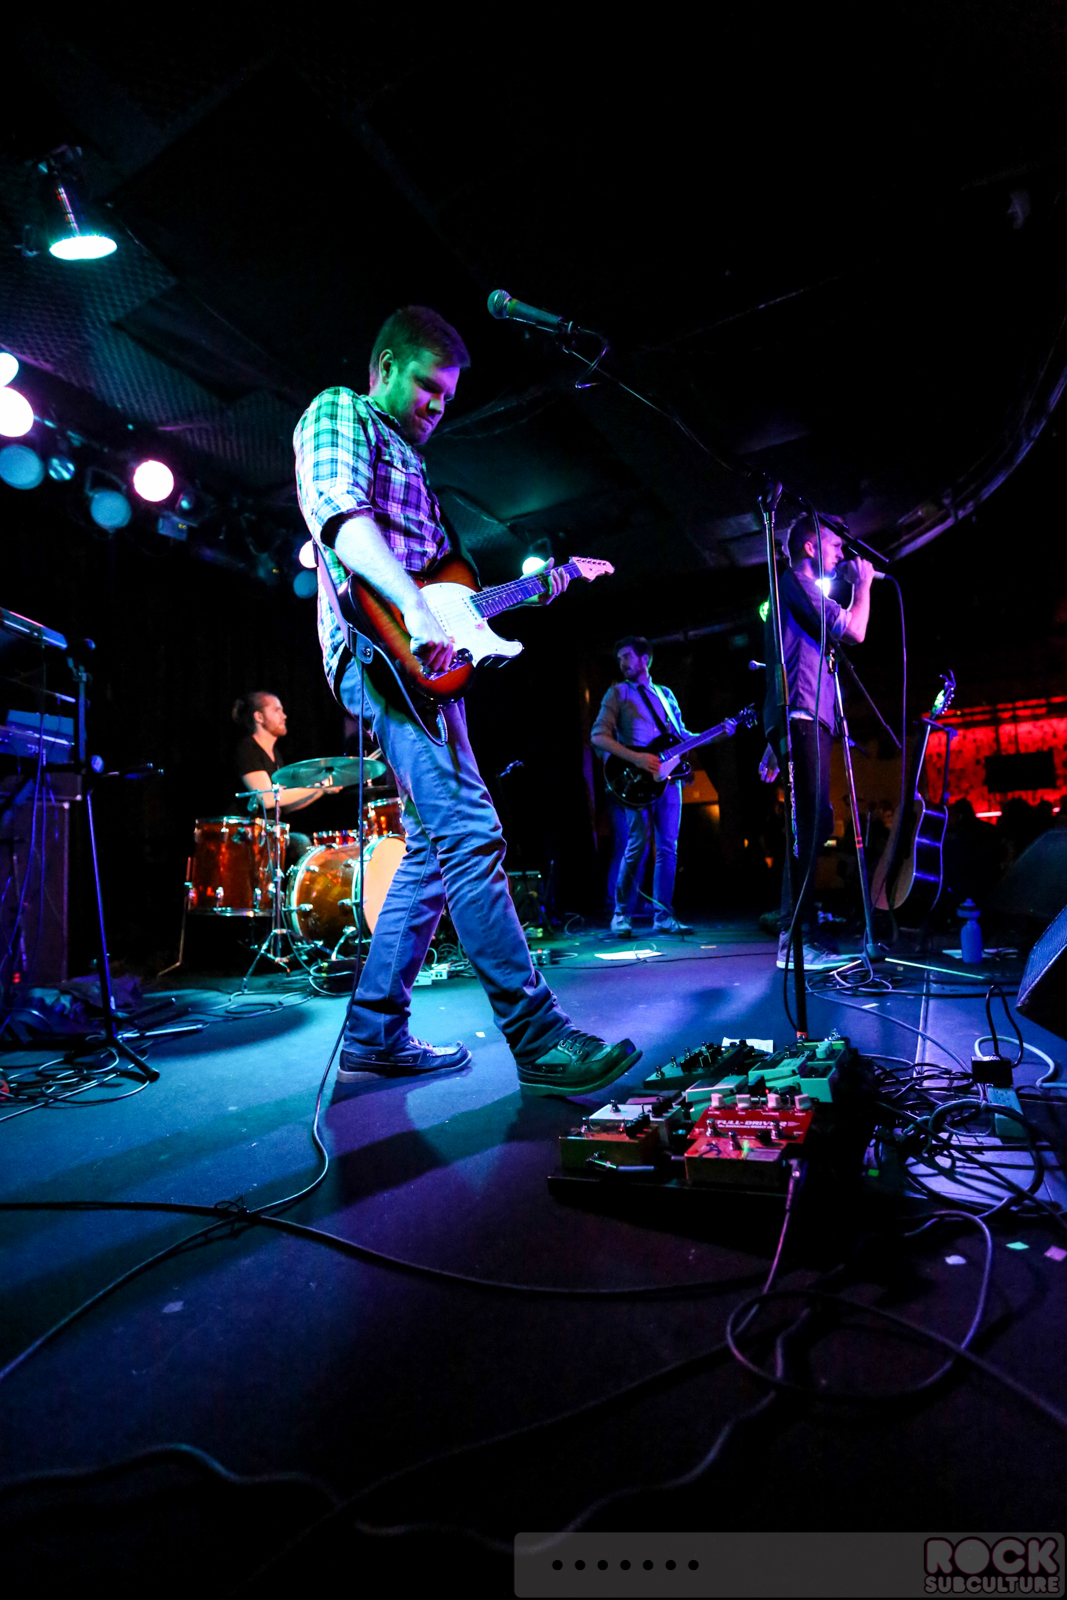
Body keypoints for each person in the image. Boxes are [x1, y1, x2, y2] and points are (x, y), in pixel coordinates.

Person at [293, 305, 639, 1095]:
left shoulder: (414, 468)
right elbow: (338, 513)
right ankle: (539, 1038)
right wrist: (413, 610)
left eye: (448, 398)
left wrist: (552, 582)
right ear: (384, 367)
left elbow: (452, 595)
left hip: (422, 659)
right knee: (473, 833)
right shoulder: (342, 411)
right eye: (427, 388)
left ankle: (374, 1034)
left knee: (430, 850)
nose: (437, 407)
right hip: (381, 652)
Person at [758, 515, 874, 968]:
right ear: (810, 547)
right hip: (802, 716)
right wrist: (863, 585)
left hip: (807, 717)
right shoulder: (797, 583)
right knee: (808, 824)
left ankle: (796, 934)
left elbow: (787, 658)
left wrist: (776, 737)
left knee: (815, 822)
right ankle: (796, 939)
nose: (843, 552)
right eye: (834, 544)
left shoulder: (803, 591)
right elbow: (856, 631)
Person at [591, 636, 694, 936]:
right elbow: (598, 736)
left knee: (668, 848)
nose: (621, 662)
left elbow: (680, 735)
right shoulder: (617, 693)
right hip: (636, 781)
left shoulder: (665, 694)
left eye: (626, 656)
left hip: (668, 779)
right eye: (619, 658)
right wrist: (636, 758)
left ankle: (663, 916)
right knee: (638, 843)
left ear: (644, 659)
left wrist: (718, 732)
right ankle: (621, 913)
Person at [232, 691, 340, 867]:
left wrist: (322, 790)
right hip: (247, 836)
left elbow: (285, 804)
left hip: (270, 835)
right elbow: (268, 798)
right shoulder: (248, 749)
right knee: (301, 842)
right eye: (276, 711)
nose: (284, 716)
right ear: (259, 717)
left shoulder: (275, 755)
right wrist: (316, 787)